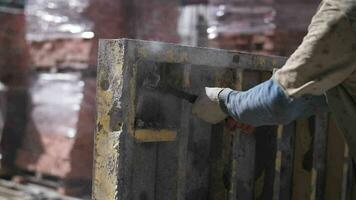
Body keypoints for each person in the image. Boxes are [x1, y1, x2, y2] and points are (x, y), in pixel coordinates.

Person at [192, 0, 356, 156]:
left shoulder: (343, 14)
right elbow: (322, 96)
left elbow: (278, 99)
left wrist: (225, 101)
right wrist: (253, 110)